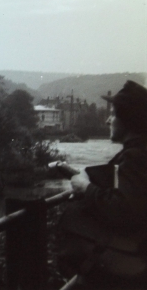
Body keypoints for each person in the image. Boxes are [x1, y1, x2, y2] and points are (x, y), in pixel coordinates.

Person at [63, 80, 147, 287]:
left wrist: (85, 188)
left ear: (127, 119)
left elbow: (125, 209)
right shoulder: (138, 152)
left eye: (113, 114)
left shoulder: (136, 156)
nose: (108, 120)